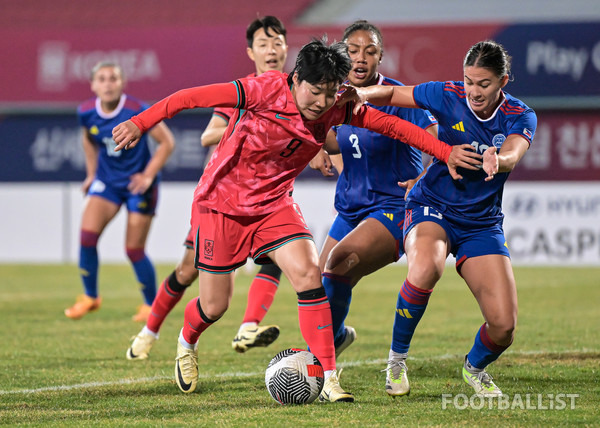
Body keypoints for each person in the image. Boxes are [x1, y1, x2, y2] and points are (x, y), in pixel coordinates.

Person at [112, 38, 483, 402]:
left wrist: (444, 152)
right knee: (214, 307)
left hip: (274, 205)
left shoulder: (336, 106)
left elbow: (393, 127)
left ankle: (327, 376)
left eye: (330, 92)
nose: (322, 103)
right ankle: (186, 341)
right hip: (222, 204)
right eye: (315, 92)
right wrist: (140, 123)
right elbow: (189, 98)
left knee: (309, 273)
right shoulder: (262, 90)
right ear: (295, 79)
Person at [341, 40, 537, 397]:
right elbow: (393, 95)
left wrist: (499, 160)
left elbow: (513, 152)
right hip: (432, 205)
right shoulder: (446, 94)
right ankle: (397, 360)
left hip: (481, 222)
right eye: (468, 81)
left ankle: (474, 368)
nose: (473, 91)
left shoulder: (520, 115)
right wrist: (362, 94)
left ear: (503, 81)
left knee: (504, 327)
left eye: (483, 84)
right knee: (426, 267)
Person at [126, 16, 289, 362]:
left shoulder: (295, 91)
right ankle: (149, 331)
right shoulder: (241, 91)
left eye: (278, 43)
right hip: (223, 198)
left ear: (287, 48)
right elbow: (207, 135)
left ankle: (249, 326)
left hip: (268, 196)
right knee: (188, 270)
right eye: (263, 44)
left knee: (284, 254)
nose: (271, 50)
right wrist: (251, 122)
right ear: (250, 52)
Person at [308, 21, 439, 374]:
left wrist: (425, 177)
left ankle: (320, 367)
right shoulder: (337, 97)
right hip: (351, 207)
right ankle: (331, 341)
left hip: (393, 207)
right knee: (315, 287)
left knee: (336, 268)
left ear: (381, 56)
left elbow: (439, 143)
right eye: (353, 51)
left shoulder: (398, 96)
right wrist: (316, 145)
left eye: (370, 51)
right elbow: (338, 141)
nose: (360, 58)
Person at [65, 61, 175, 321]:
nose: (107, 84)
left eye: (113, 78)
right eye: (101, 79)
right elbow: (88, 140)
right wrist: (92, 174)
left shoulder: (137, 109)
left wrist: (148, 176)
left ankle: (151, 305)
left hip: (137, 185)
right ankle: (90, 297)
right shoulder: (86, 112)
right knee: (87, 238)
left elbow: (167, 142)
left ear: (122, 83)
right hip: (108, 182)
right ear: (93, 85)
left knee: (133, 249)